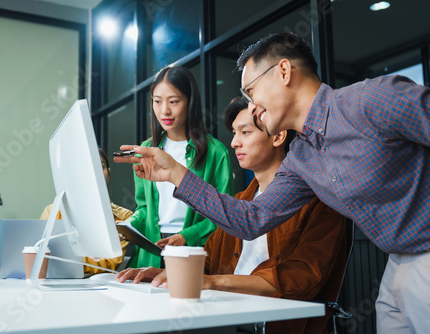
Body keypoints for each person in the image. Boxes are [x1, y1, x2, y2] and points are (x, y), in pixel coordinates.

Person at [115, 32, 430, 333]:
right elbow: (250, 220)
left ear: (283, 72)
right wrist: (174, 172)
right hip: (397, 262)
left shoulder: (372, 98)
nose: (251, 109)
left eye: (251, 92)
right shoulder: (302, 160)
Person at [116, 98, 347, 333]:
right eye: (234, 133)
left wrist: (214, 282)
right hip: (224, 318)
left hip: (279, 324)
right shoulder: (239, 203)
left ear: (278, 136)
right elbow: (210, 259)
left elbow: (304, 276)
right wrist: (168, 274)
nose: (235, 142)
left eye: (245, 132)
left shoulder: (319, 199)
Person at [125, 65, 234, 269]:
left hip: (192, 250)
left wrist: (187, 236)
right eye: (157, 102)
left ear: (190, 102)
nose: (164, 110)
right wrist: (127, 228)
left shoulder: (216, 152)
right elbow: (144, 208)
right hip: (151, 250)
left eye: (174, 101)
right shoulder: (147, 150)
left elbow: (225, 214)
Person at [40, 148, 133, 275]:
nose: (94, 173)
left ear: (108, 172)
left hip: (99, 285)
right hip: (57, 281)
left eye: (100, 167)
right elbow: (40, 254)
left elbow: (108, 263)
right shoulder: (53, 211)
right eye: (86, 167)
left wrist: (63, 260)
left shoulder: (124, 217)